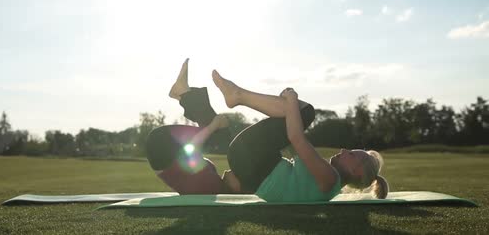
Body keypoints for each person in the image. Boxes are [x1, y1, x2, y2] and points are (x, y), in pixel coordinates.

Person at [211, 68, 390, 201]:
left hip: (254, 160)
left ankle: (238, 95)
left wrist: (292, 99)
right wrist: (289, 107)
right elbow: (293, 146)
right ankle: (238, 95)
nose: (343, 150)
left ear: (356, 171)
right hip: (251, 164)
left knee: (306, 112)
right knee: (296, 112)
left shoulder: (330, 178)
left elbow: (295, 138)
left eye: (350, 154)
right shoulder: (327, 182)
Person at [145, 59, 316, 195]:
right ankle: (183, 94)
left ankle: (186, 95)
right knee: (222, 135)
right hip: (164, 146)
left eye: (238, 178)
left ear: (238, 189)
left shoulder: (210, 188)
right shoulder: (211, 180)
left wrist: (213, 126)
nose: (232, 171)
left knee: (220, 134)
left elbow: (187, 152)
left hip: (163, 148)